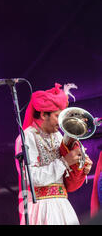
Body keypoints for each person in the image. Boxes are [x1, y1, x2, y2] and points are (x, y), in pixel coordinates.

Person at [15, 83, 92, 225]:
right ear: (44, 114)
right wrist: (64, 162)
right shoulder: (26, 138)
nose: (62, 122)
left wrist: (80, 168)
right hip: (41, 209)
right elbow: (31, 177)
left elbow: (67, 179)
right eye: (58, 116)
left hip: (62, 206)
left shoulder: (57, 136)